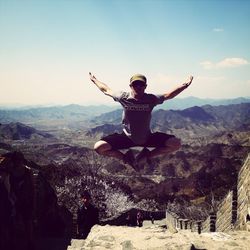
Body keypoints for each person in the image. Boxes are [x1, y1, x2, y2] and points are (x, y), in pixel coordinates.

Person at [89, 72, 193, 168]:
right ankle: (126, 157)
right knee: (99, 147)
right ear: (130, 86)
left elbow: (168, 95)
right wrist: (95, 81)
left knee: (176, 144)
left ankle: (147, 155)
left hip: (147, 138)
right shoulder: (123, 97)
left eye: (141, 84)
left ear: (145, 86)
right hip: (126, 138)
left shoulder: (151, 99)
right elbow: (106, 90)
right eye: (135, 84)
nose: (138, 87)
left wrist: (185, 85)